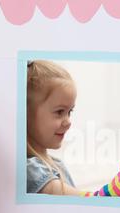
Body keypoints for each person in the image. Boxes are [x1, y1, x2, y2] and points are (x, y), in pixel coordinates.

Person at [26, 60, 82, 195]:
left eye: (69, 112)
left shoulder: (56, 164)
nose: (68, 122)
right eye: (59, 112)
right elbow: (87, 203)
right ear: (26, 113)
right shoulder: (30, 171)